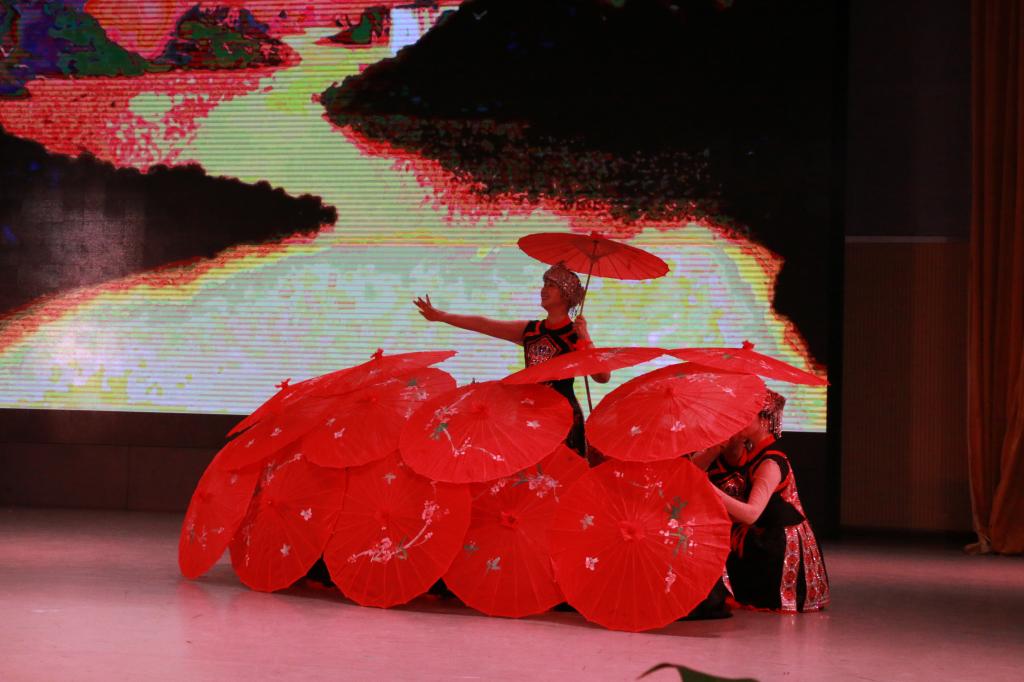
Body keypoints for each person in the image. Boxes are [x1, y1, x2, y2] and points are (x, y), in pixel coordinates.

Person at [413, 262, 610, 462]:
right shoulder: (532, 330)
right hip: (530, 414)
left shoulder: (574, 334)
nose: (544, 289)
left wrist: (585, 336)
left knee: (562, 473)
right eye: (544, 284)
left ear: (566, 295)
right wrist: (442, 316)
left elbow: (603, 376)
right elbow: (485, 324)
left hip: (563, 418)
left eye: (551, 285)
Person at [691, 390, 830, 613]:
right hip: (765, 532)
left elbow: (751, 514)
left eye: (746, 414)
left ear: (765, 421)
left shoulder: (770, 462)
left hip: (779, 542)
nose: (739, 419)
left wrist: (708, 488)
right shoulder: (755, 453)